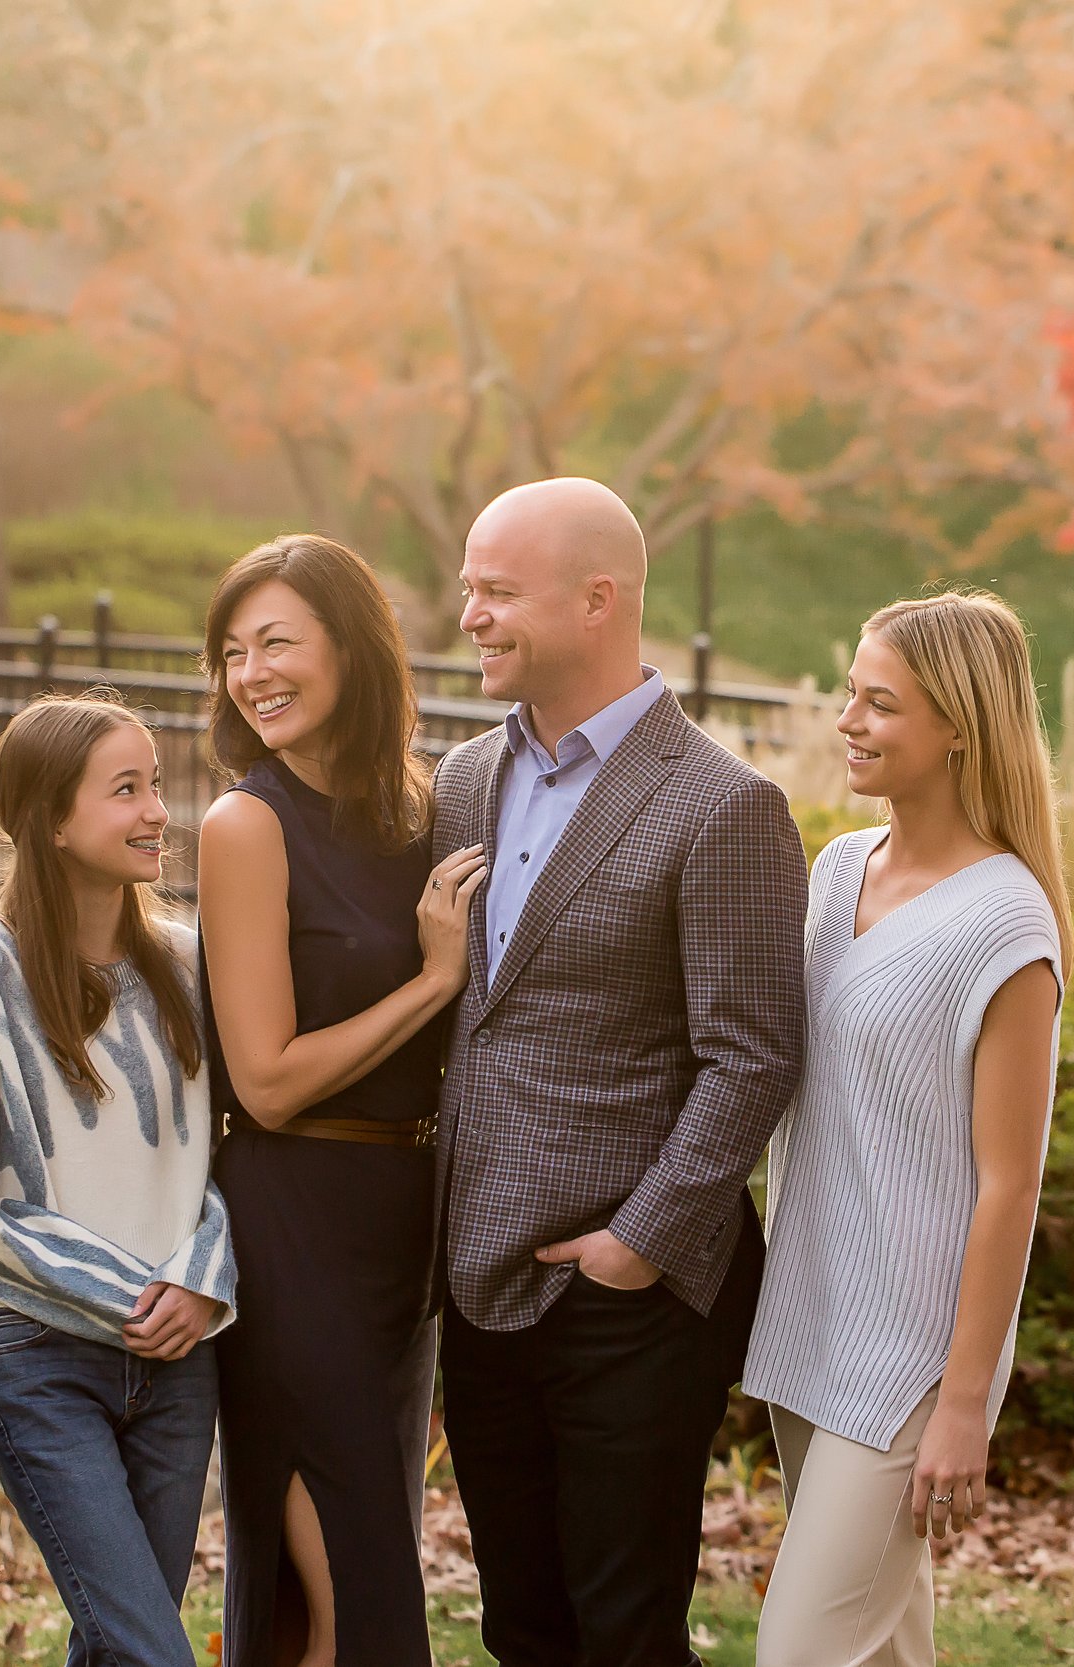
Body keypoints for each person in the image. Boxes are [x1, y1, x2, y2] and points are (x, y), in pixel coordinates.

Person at [431, 477, 808, 1667]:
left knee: (625, 1629)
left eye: (496, 591)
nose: (470, 615)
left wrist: (635, 1243)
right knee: (523, 1625)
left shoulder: (725, 805)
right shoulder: (459, 783)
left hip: (629, 1301)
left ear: (597, 600)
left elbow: (752, 1052)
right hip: (478, 1283)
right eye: (468, 588)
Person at [741, 592, 1072, 1667]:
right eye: (849, 692)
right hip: (811, 1312)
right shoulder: (837, 867)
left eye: (879, 702)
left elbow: (1007, 1184)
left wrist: (964, 1402)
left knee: (797, 1650)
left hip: (910, 1359)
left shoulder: (1008, 923)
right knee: (881, 1651)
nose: (846, 719)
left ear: (960, 727)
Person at [195, 535, 489, 1667]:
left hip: (403, 1222)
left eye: (277, 642)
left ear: (353, 649)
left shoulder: (429, 804)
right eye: (233, 652)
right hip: (293, 1219)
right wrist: (429, 979)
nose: (253, 673)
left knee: (349, 1571)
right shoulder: (245, 825)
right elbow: (263, 1080)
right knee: (359, 1577)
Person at [0, 693, 235, 1667]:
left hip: (178, 1355)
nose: (157, 812)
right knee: (151, 1649)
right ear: (52, 817)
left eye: (157, 785)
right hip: (40, 1357)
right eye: (125, 789)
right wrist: (132, 1287)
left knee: (118, 1646)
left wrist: (200, 1276)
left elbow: (236, 1151)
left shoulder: (186, 962)